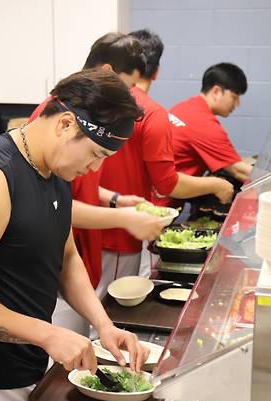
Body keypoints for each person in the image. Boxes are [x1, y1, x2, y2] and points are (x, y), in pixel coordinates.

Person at [0, 68, 150, 401]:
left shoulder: (55, 173)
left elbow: (67, 259)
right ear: (64, 125)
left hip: (23, 359)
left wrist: (104, 326)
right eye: (96, 153)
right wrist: (48, 335)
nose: (96, 167)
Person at [28, 32, 165, 335]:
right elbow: (51, 206)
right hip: (55, 273)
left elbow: (73, 188)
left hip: (77, 263)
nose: (130, 96)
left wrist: (115, 199)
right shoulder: (59, 117)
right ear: (107, 73)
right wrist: (125, 219)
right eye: (127, 87)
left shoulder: (85, 128)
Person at [98, 29, 235, 289]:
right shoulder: (149, 111)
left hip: (92, 220)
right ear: (156, 71)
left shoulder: (96, 100)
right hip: (120, 233)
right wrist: (216, 185)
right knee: (110, 307)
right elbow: (167, 184)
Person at [169, 63, 253, 183]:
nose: (237, 104)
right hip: (160, 200)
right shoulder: (204, 124)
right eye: (234, 97)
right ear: (216, 92)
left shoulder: (184, 107)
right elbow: (239, 171)